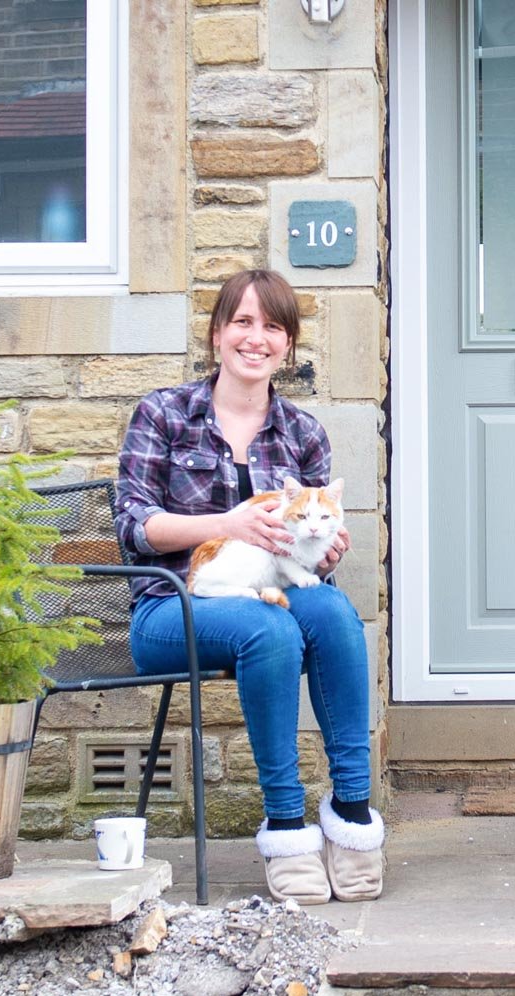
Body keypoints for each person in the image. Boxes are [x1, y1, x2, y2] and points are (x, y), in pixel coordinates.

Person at [114, 268, 383, 905]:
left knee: (337, 615)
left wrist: (327, 552)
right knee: (272, 629)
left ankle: (352, 817)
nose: (256, 338)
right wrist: (225, 523)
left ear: (287, 345)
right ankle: (288, 825)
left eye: (272, 326)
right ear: (216, 335)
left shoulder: (303, 433)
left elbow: (311, 565)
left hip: (271, 594)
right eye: (242, 322)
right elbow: (132, 527)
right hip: (170, 607)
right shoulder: (164, 413)